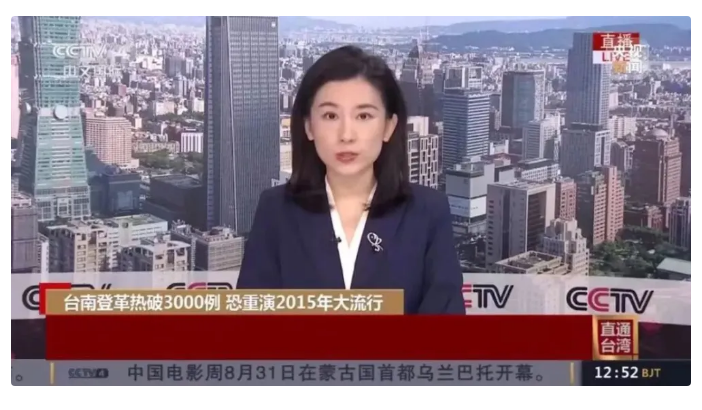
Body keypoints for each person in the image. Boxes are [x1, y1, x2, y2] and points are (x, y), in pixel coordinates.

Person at [237, 45, 464, 314]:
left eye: (363, 116)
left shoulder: (428, 212)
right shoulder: (276, 210)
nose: (346, 135)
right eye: (330, 116)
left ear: (388, 126)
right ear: (309, 126)